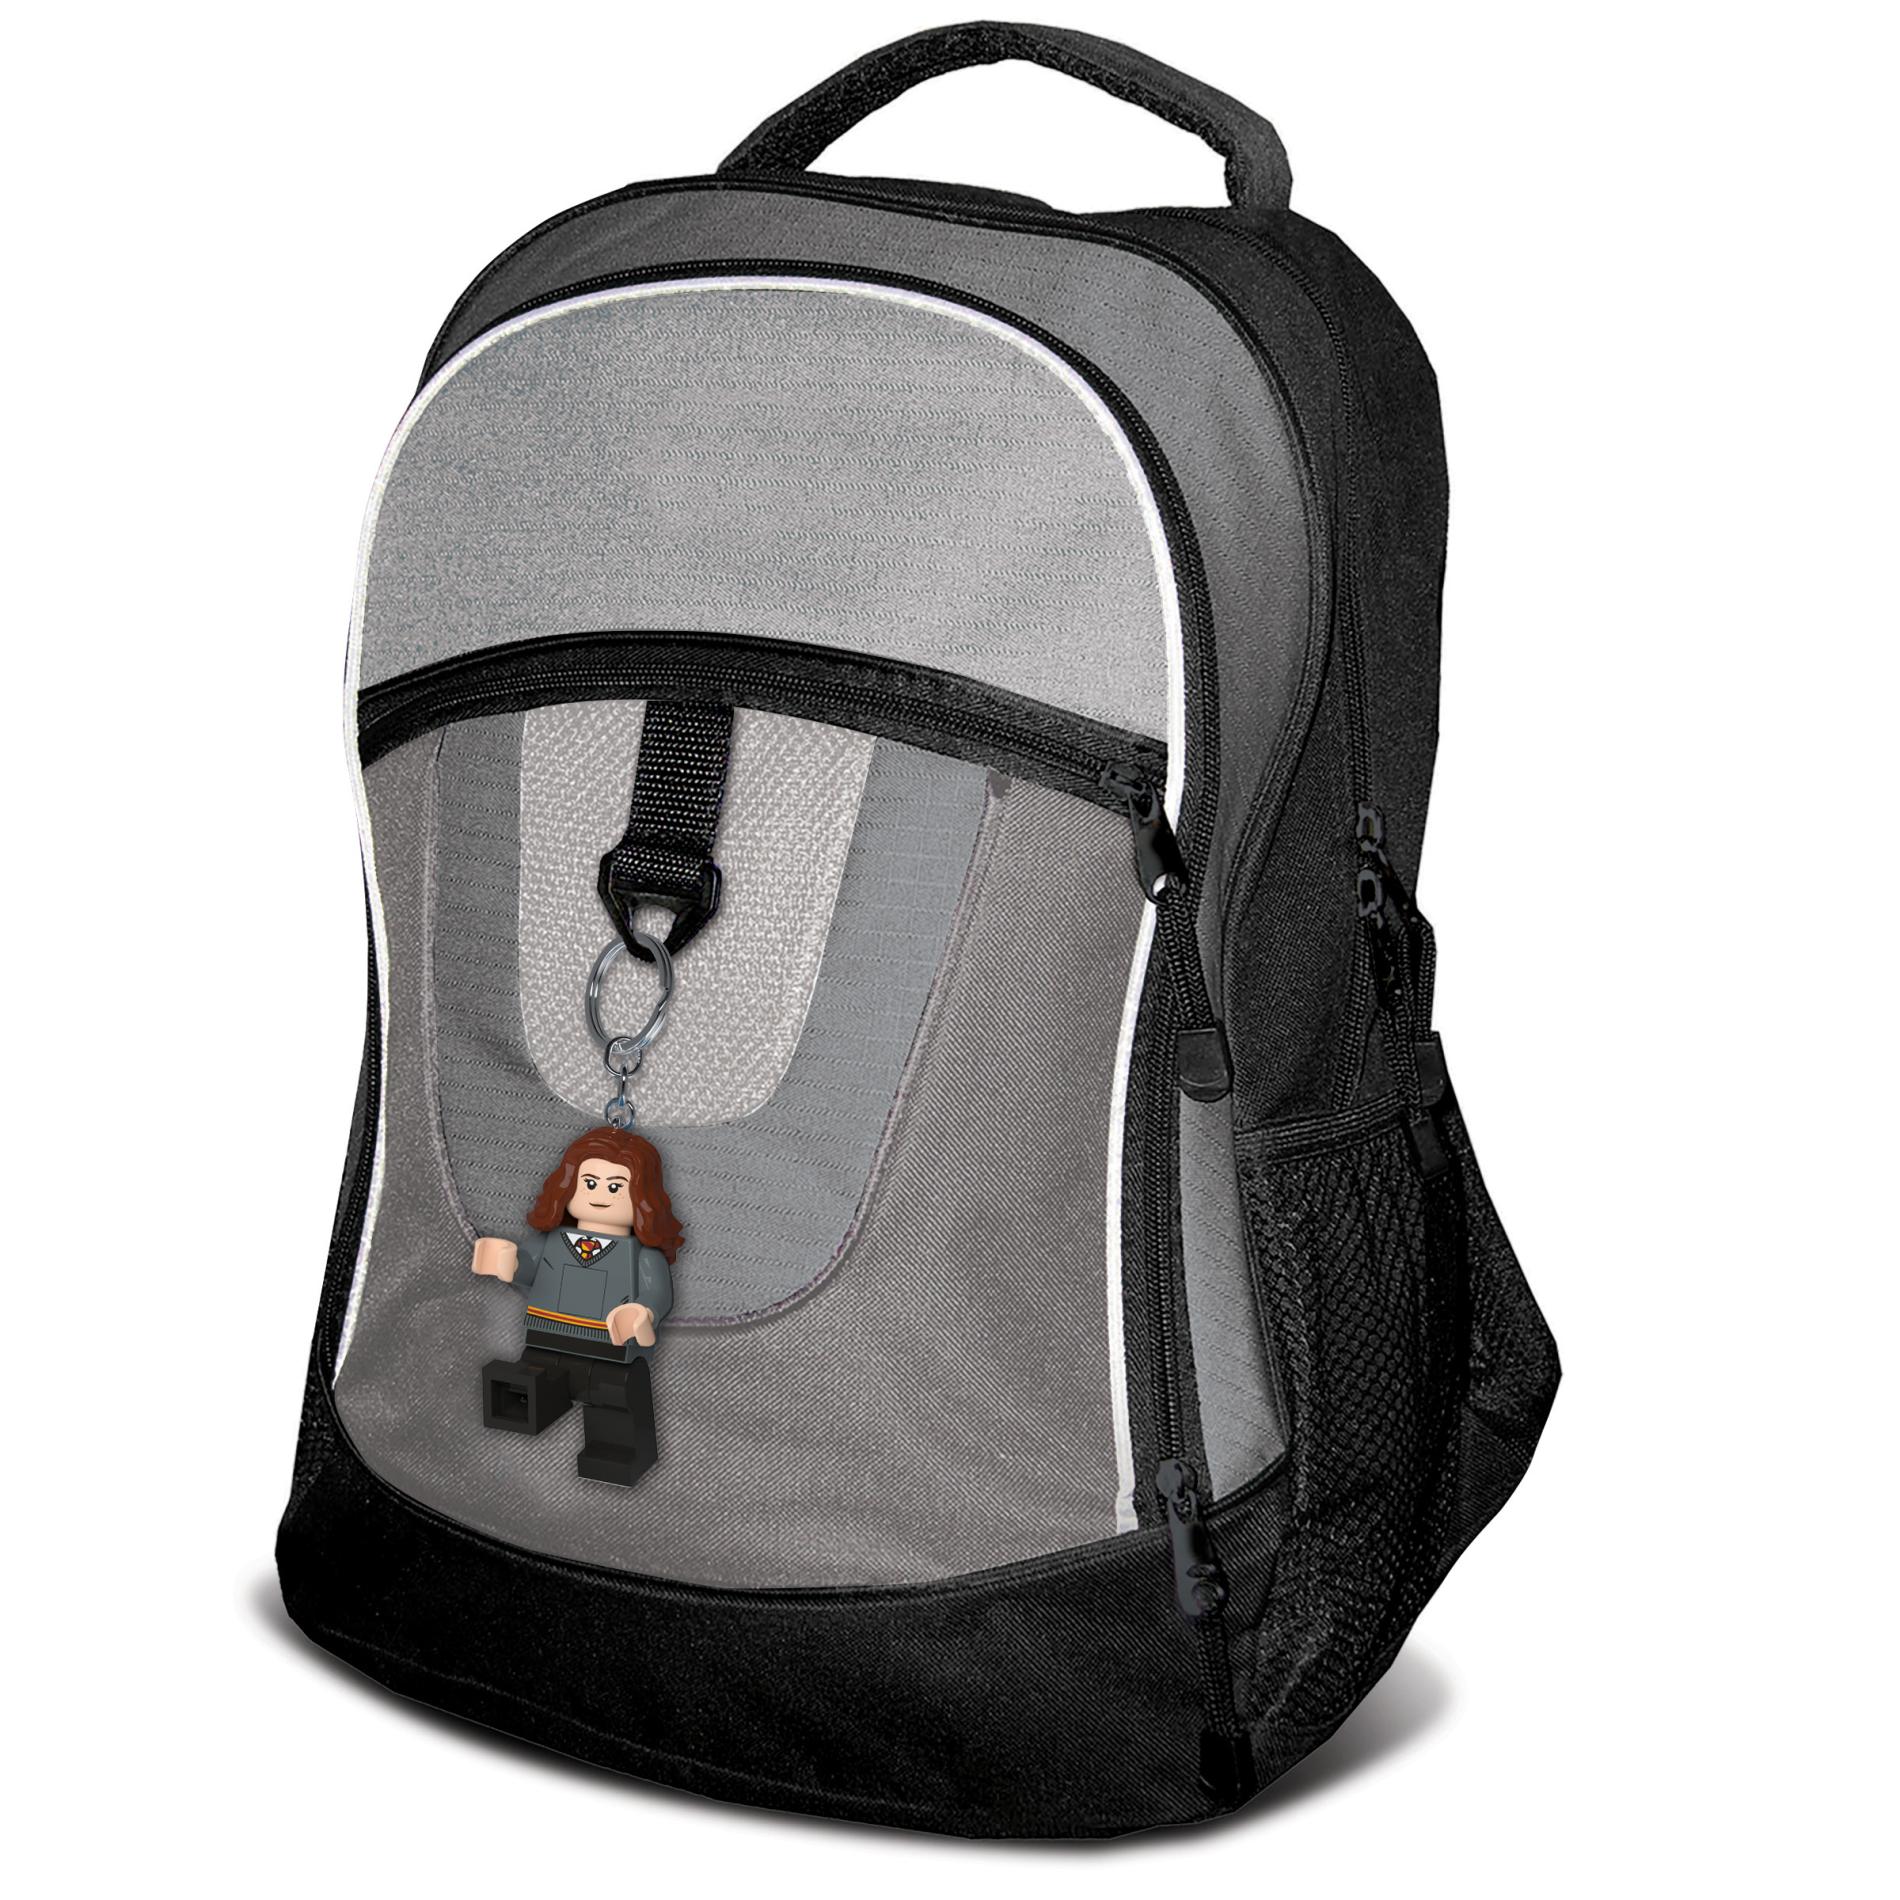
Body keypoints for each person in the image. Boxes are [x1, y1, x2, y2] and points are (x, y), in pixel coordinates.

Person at [472, 1126, 681, 1486]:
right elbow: (528, 1267)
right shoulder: (552, 1241)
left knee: (615, 1407)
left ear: (642, 1197)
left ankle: (614, 1456)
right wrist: (508, 1261)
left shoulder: (642, 1257)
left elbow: (658, 1294)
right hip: (545, 1344)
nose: (600, 1195)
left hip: (611, 1354)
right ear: (568, 1187)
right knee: (526, 1397)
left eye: (615, 1187)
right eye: (590, 1183)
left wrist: (642, 1314)